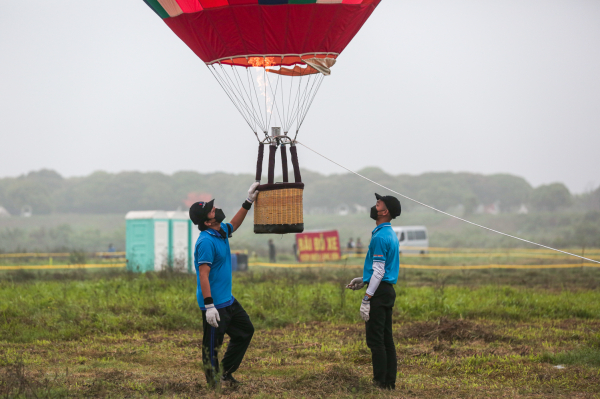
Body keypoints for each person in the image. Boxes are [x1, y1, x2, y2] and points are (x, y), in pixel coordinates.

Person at [189, 182, 259, 388]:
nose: (215, 209)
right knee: (212, 347)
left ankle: (225, 373)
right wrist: (209, 306)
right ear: (207, 221)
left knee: (245, 331)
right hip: (214, 304)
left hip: (228, 300)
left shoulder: (220, 231)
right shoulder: (206, 242)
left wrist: (249, 201)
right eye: (211, 210)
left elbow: (234, 225)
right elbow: (203, 275)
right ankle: (214, 388)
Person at [346, 193, 401, 390]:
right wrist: (364, 280)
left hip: (379, 292)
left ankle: (380, 383)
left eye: (378, 204)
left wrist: (367, 298)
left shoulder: (380, 236)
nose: (374, 206)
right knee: (386, 338)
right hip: (386, 289)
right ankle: (389, 382)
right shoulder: (389, 234)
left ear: (385, 211)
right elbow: (380, 270)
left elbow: (379, 270)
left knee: (375, 340)